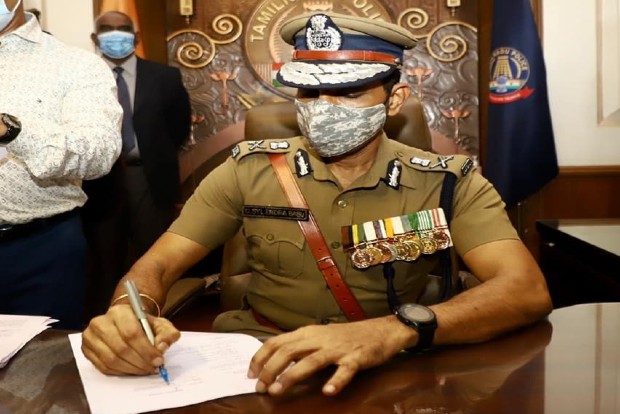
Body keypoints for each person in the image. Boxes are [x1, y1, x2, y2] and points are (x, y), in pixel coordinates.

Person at [81, 12, 552, 397]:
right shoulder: (247, 169)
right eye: (309, 91)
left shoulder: (449, 180)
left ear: (395, 100)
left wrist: (391, 331)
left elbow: (525, 291)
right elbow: (159, 265)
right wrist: (128, 314)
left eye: (348, 91)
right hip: (261, 360)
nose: (323, 106)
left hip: (393, 362)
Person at [0, 0, 122, 329]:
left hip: (37, 251)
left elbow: (98, 152)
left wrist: (11, 130)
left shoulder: (75, 65)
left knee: (40, 359)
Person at [82, 11, 192, 317]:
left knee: (151, 254)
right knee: (103, 257)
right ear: (95, 38)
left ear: (136, 36)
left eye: (123, 28)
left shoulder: (165, 77)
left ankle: (153, 319)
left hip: (150, 178)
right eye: (107, 29)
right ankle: (104, 322)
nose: (115, 34)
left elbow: (179, 128)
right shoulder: (82, 78)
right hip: (98, 182)